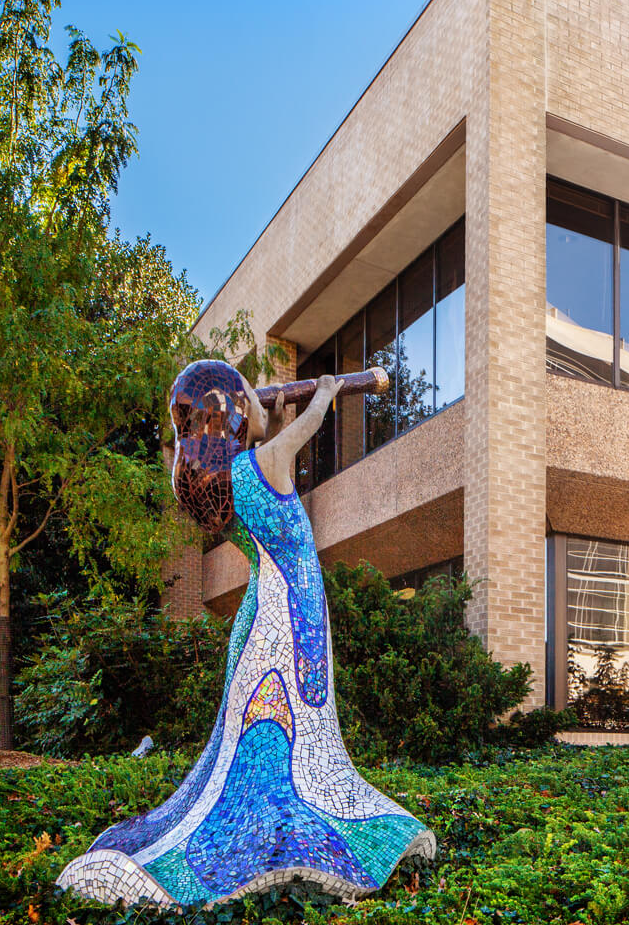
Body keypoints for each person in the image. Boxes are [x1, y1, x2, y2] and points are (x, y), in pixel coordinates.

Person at [55, 360, 435, 906]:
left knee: (261, 738)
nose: (261, 403)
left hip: (263, 613)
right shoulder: (266, 461)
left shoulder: (226, 478)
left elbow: (270, 446)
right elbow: (301, 434)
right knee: (281, 735)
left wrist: (269, 414)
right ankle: (257, 842)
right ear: (234, 413)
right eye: (251, 400)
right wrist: (325, 394)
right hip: (283, 614)